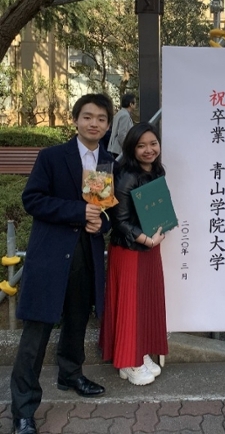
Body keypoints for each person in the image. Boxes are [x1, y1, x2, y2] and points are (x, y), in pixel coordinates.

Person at [10, 94, 114, 434]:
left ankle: (71, 375)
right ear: (75, 120)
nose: (94, 123)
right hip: (52, 255)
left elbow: (108, 209)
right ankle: (23, 408)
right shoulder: (52, 157)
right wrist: (77, 212)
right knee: (36, 331)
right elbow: (32, 199)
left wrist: (103, 223)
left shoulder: (107, 161)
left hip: (88, 255)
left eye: (101, 118)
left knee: (76, 320)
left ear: (108, 125)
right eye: (87, 116)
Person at [100, 123, 168, 386]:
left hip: (150, 246)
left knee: (144, 302)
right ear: (131, 148)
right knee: (129, 304)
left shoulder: (156, 171)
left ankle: (139, 352)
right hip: (130, 250)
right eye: (141, 145)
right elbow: (120, 220)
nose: (148, 150)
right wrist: (147, 239)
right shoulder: (127, 176)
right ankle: (127, 361)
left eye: (153, 143)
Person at [107, 93, 136, 158]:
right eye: (135, 103)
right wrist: (127, 148)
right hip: (118, 150)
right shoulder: (125, 115)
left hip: (114, 149)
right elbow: (121, 134)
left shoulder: (119, 113)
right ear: (131, 104)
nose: (136, 105)